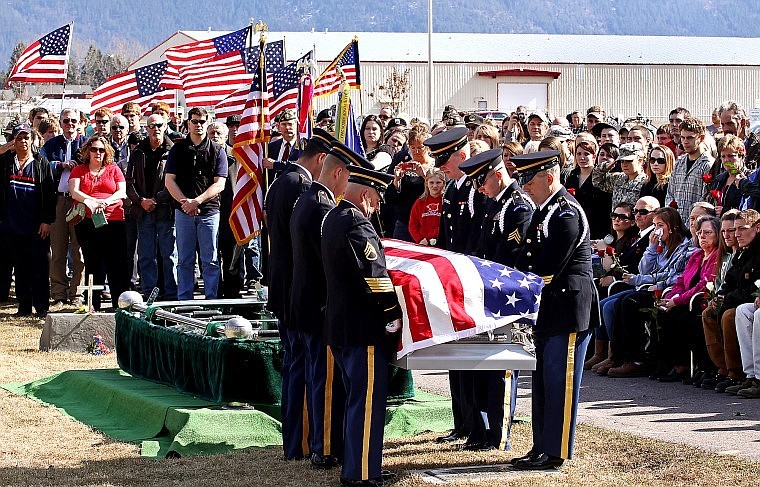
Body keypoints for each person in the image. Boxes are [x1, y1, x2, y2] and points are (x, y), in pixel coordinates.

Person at [509, 150, 595, 470]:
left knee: (560, 381)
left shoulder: (565, 213)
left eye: (529, 180)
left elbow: (548, 267)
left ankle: (555, 450)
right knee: (544, 380)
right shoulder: (544, 211)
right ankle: (540, 446)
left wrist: (518, 288)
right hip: (549, 307)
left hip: (567, 306)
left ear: (549, 177)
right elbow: (527, 257)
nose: (525, 187)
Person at [321, 156, 400, 486]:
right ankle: (362, 473)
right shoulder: (356, 223)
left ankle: (355, 466)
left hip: (340, 325)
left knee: (355, 400)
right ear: (367, 193)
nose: (376, 207)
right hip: (363, 327)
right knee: (366, 403)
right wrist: (393, 314)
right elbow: (375, 277)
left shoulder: (332, 217)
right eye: (377, 199)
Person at [460, 147, 534, 452]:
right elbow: (481, 248)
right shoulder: (494, 204)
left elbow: (508, 257)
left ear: (497, 173)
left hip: (506, 298)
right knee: (481, 368)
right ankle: (481, 431)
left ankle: (498, 433)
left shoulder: (517, 207)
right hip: (487, 295)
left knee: (500, 368)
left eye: (482, 181)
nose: (480, 189)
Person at [265, 122, 329, 462]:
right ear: (320, 159)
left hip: (283, 285)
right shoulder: (300, 185)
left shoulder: (282, 181)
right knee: (301, 366)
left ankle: (295, 442)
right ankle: (301, 441)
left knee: (294, 364)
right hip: (295, 288)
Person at [423, 126, 486, 444]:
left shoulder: (473, 190)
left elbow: (476, 241)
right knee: (455, 357)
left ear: (462, 156)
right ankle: (461, 422)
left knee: (470, 358)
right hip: (453, 283)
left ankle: (476, 424)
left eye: (445, 159)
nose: (441, 166)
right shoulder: (451, 190)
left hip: (469, 283)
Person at [289, 130, 348, 469]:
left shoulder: (308, 198)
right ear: (337, 173)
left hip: (305, 304)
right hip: (319, 308)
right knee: (323, 380)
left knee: (315, 375)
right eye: (348, 180)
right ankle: (324, 446)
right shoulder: (322, 205)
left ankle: (315, 441)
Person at [607, 207, 693, 378]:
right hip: (653, 287)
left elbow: (673, 276)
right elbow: (645, 269)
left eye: (660, 225)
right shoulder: (660, 243)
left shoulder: (684, 246)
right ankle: (618, 357)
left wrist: (641, 281)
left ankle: (637, 360)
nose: (656, 231)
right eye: (654, 225)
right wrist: (652, 247)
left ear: (672, 226)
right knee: (615, 303)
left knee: (630, 303)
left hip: (666, 290)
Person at [164, 107, 227, 300]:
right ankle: (185, 300)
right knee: (184, 260)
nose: (198, 125)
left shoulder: (218, 151)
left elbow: (220, 184)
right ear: (188, 123)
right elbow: (169, 180)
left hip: (209, 212)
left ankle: (211, 300)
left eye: (202, 121)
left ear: (207, 122)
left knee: (211, 260)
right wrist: (186, 203)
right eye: (194, 121)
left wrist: (197, 201)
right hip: (183, 212)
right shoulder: (177, 149)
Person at [593, 196, 660, 374]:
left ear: (655, 215)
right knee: (602, 302)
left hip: (645, 285)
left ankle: (624, 357)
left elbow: (640, 268)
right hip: (634, 283)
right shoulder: (638, 237)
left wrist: (615, 279)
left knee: (615, 304)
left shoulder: (651, 238)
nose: (638, 215)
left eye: (643, 212)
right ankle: (606, 354)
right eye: (636, 212)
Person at [654, 215, 719, 382]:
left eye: (708, 232)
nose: (702, 236)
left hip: (701, 300)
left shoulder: (717, 255)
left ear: (717, 234)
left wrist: (677, 300)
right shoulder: (697, 255)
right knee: (663, 313)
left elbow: (704, 285)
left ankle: (698, 365)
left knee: (685, 318)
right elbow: (682, 281)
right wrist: (671, 297)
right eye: (699, 233)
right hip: (687, 300)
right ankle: (673, 363)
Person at [0, 124, 56, 317]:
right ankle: (23, 307)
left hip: (36, 226)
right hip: (11, 226)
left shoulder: (41, 162)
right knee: (20, 268)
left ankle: (41, 308)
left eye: (26, 137)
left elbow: (50, 194)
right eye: (19, 138)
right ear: (13, 141)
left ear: (32, 140)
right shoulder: (6, 162)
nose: (23, 141)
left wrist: (47, 221)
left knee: (39, 268)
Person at [701, 209, 760, 391]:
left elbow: (751, 289)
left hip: (748, 300)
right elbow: (730, 281)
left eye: (742, 228)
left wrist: (727, 298)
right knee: (710, 312)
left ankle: (741, 373)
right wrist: (720, 297)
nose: (737, 234)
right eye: (735, 229)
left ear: (758, 228)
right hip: (741, 301)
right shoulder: (743, 252)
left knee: (732, 314)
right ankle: (728, 370)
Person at [68, 136, 129, 310]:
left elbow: (121, 192)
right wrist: (90, 201)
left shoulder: (114, 169)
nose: (98, 153)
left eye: (101, 150)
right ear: (87, 151)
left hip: (114, 221)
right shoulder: (79, 170)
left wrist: (105, 202)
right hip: (87, 223)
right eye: (94, 149)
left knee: (116, 264)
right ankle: (92, 304)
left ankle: (120, 305)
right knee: (93, 263)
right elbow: (74, 191)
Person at [126, 113, 176, 301]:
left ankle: (171, 294)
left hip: (165, 210)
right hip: (143, 210)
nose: (156, 129)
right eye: (152, 125)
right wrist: (141, 201)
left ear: (165, 126)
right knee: (146, 255)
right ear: (146, 128)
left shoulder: (172, 150)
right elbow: (128, 181)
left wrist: (156, 199)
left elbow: (175, 180)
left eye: (159, 125)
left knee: (169, 255)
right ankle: (149, 294)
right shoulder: (138, 151)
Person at [42, 108, 87, 308]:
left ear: (80, 123)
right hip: (58, 200)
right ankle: (58, 294)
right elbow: (42, 164)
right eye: (66, 120)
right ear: (60, 123)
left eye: (74, 121)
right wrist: (60, 165)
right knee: (58, 249)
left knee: (79, 250)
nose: (70, 124)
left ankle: (77, 293)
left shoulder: (87, 143)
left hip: (80, 201)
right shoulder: (51, 144)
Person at [385, 126, 433, 241]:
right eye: (413, 147)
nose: (416, 151)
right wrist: (396, 180)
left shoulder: (435, 166)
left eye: (420, 147)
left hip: (428, 221)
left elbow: (438, 192)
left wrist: (424, 176)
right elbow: (390, 197)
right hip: (404, 222)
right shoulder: (404, 163)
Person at [666, 117, 714, 223]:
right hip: (676, 223)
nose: (685, 142)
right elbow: (670, 193)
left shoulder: (708, 164)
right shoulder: (679, 162)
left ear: (701, 138)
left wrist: (692, 222)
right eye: (683, 138)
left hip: (697, 224)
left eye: (690, 138)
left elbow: (704, 198)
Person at [565, 137, 610, 239]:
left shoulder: (600, 176)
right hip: (575, 223)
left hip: (596, 226)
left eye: (586, 154)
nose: (582, 158)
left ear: (594, 156)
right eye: (579, 154)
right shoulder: (573, 175)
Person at [592, 142, 648, 211]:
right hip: (616, 220)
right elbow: (597, 182)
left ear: (640, 160)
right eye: (622, 161)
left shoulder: (646, 182)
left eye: (629, 161)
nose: (624, 164)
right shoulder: (618, 178)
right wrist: (604, 167)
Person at [710, 134, 749, 215]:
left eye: (731, 156)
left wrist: (725, 211)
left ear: (741, 156)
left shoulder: (749, 178)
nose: (726, 160)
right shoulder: (719, 179)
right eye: (723, 156)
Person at [407, 169, 445, 246]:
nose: (435, 186)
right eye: (431, 182)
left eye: (438, 183)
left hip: (442, 241)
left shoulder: (446, 201)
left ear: (444, 183)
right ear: (426, 183)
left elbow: (445, 224)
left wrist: (428, 238)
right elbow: (413, 224)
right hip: (422, 243)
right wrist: (420, 240)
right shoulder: (420, 202)